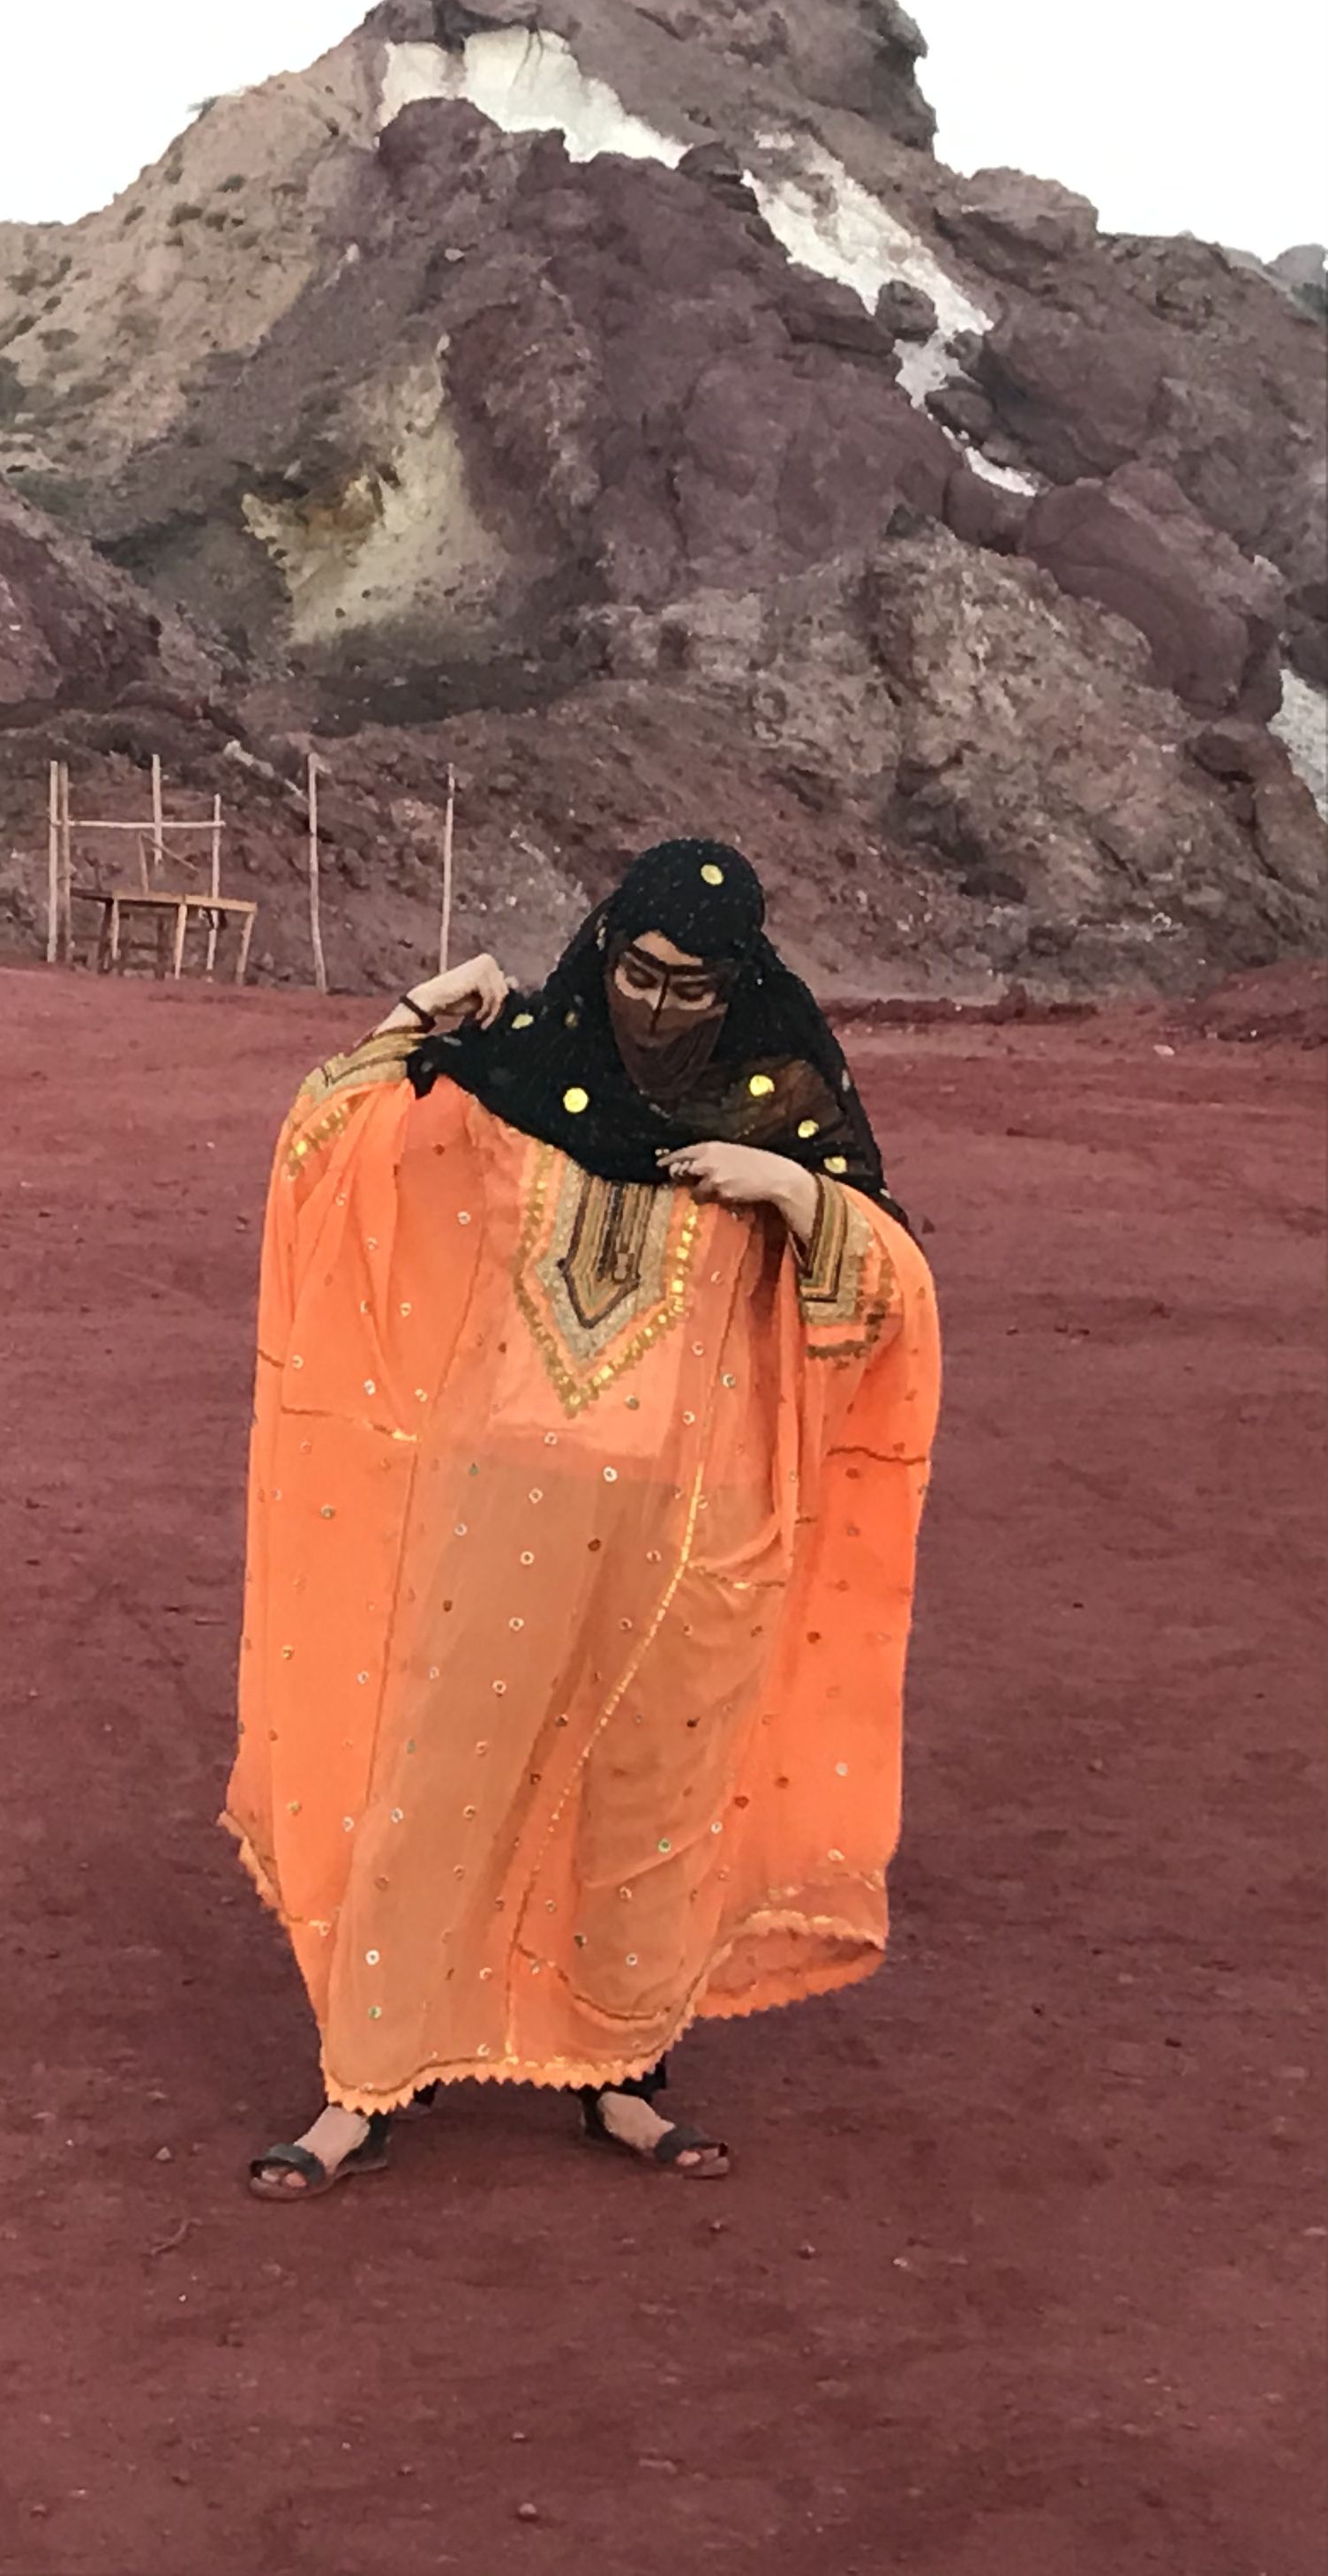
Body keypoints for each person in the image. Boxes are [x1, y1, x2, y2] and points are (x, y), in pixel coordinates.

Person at [223, 838, 940, 2199]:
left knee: (651, 1812)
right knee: (435, 1788)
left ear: (742, 983)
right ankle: (365, 2081)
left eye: (693, 987)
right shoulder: (510, 1081)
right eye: (640, 975)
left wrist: (800, 1196)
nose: (659, 1007)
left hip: (695, 1536)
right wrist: (414, 1017)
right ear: (603, 949)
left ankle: (619, 2072)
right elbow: (328, 1151)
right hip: (492, 1514)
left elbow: (890, 1301)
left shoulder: (780, 1107)